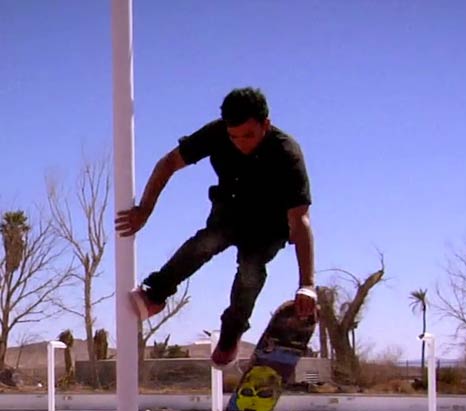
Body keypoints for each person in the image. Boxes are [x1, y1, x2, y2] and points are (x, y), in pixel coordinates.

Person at [114, 87, 316, 369]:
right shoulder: (216, 133)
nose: (241, 144)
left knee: (250, 269)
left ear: (265, 125)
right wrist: (145, 209)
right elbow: (169, 162)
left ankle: (232, 332)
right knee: (205, 243)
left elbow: (300, 220)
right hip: (230, 211)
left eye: (249, 135)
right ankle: (156, 295)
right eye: (234, 137)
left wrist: (306, 284)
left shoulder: (287, 153)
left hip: (270, 226)